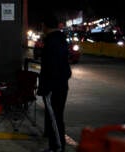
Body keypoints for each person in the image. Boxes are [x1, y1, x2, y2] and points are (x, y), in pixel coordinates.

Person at [37, 13, 72, 152]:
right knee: (57, 117)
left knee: (55, 119)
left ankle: (57, 147)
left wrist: (47, 87)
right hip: (60, 85)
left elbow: (51, 67)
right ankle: (55, 146)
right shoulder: (60, 39)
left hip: (53, 87)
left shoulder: (52, 42)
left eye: (42, 25)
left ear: (45, 25)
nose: (41, 28)